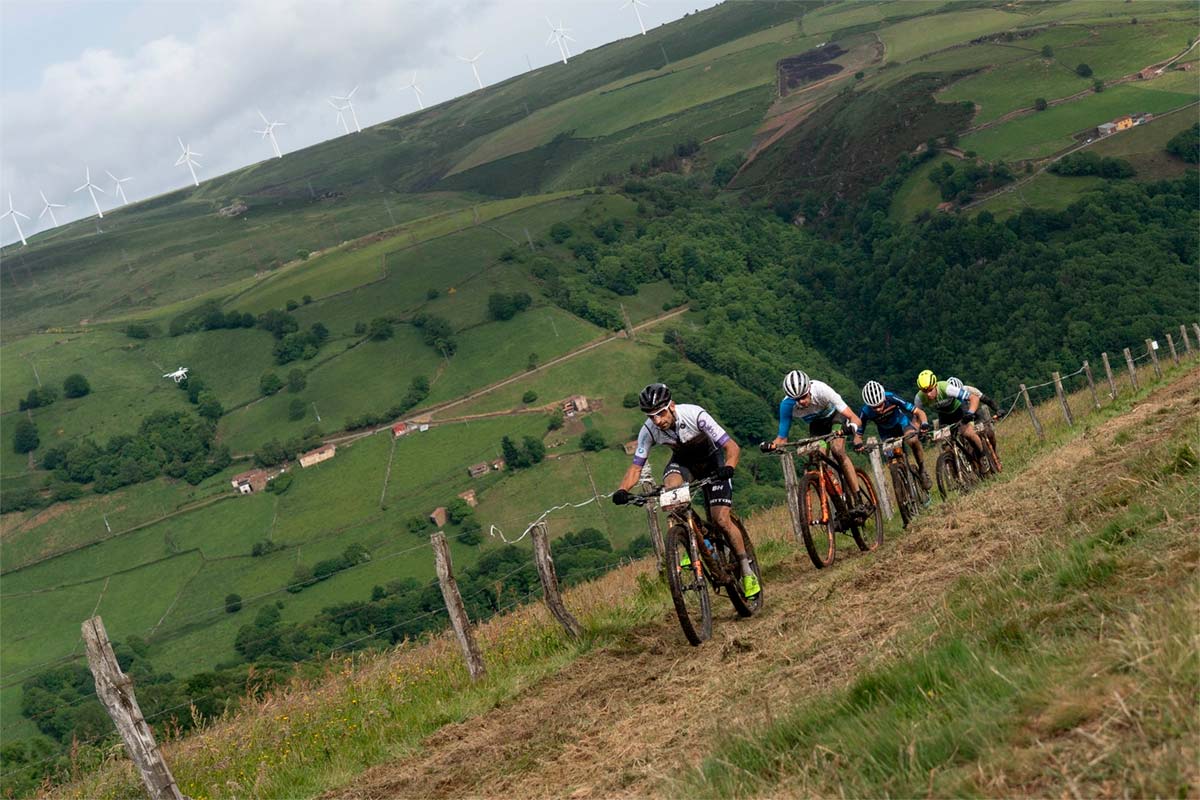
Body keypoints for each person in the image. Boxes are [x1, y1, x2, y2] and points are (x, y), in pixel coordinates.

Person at [612, 383, 759, 598]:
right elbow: (636, 467)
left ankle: (747, 571)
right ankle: (695, 539)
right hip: (683, 463)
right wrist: (622, 490)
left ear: (671, 406)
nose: (657, 421)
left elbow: (732, 447)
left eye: (660, 413)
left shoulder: (695, 414)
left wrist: (729, 467)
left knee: (721, 520)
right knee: (671, 490)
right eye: (651, 416)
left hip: (713, 461)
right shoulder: (649, 430)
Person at [767, 369, 865, 506]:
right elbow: (782, 439)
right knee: (817, 457)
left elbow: (854, 417)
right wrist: (770, 445)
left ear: (809, 389)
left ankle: (858, 497)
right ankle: (838, 502)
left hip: (836, 417)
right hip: (817, 425)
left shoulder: (822, 390)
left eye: (803, 396)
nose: (801, 402)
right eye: (797, 399)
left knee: (837, 450)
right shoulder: (786, 405)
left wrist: (852, 428)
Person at [852, 380, 932, 489]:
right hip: (886, 433)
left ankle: (922, 470)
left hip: (902, 425)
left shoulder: (891, 397)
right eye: (874, 407)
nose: (879, 409)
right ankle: (904, 487)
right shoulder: (865, 411)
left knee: (913, 440)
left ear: (884, 398)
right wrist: (858, 444)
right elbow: (858, 435)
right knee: (891, 461)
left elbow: (919, 412)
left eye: (880, 405)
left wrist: (924, 423)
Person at [914, 370, 987, 463]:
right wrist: (918, 431)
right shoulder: (919, 398)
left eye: (930, 390)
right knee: (946, 445)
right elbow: (917, 417)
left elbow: (974, 398)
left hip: (959, 410)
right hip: (944, 416)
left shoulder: (946, 388)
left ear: (935, 385)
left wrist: (970, 412)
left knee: (968, 433)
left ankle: (982, 456)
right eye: (924, 391)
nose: (928, 394)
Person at [947, 377, 1000, 454]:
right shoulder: (946, 396)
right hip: (960, 419)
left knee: (989, 432)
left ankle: (994, 453)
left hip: (975, 414)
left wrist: (997, 409)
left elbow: (986, 400)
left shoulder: (970, 390)